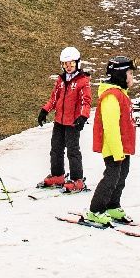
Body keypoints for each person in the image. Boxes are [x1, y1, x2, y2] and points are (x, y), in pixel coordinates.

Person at [82, 56, 136, 227]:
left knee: (121, 176)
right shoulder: (111, 97)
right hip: (113, 148)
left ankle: (112, 205)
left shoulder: (121, 95)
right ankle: (95, 210)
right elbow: (111, 127)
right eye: (130, 73)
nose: (132, 77)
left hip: (122, 147)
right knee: (111, 177)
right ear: (120, 75)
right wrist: (117, 151)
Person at [37, 46, 91, 193]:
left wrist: (83, 116)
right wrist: (45, 110)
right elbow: (54, 98)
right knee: (56, 149)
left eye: (71, 63)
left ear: (77, 63)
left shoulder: (82, 81)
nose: (68, 67)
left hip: (73, 122)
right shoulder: (61, 80)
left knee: (73, 151)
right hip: (59, 121)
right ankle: (57, 175)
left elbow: (85, 102)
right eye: (65, 64)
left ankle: (77, 179)